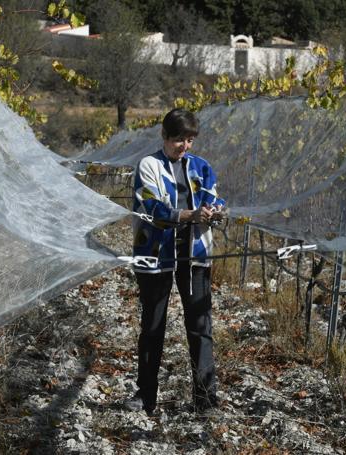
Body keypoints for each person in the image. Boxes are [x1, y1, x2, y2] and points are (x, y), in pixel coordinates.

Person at [127, 108, 226, 416]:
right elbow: (153, 207)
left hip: (194, 255)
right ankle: (146, 396)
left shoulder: (202, 167)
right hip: (157, 255)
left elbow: (214, 198)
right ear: (165, 137)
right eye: (179, 140)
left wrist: (218, 211)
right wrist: (188, 215)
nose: (185, 146)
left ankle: (205, 399)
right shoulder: (149, 166)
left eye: (190, 140)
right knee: (153, 325)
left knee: (200, 325)